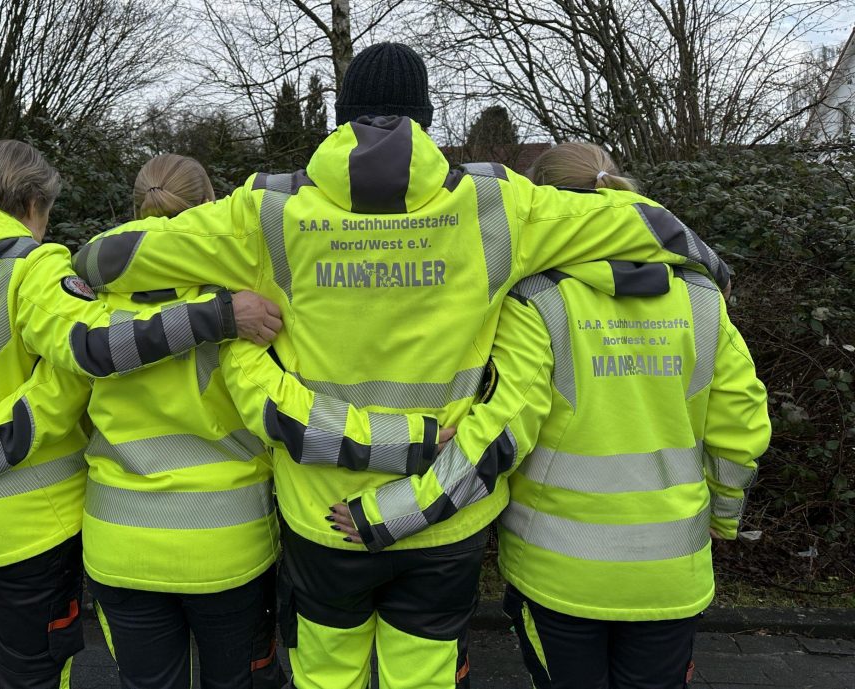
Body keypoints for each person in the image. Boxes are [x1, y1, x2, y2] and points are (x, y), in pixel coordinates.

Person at [73, 44, 731, 689]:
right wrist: (714, 272)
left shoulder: (268, 209)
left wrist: (203, 302)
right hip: (447, 512)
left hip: (323, 512)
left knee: (327, 676)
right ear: (426, 120)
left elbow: (105, 261)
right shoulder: (497, 204)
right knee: (423, 675)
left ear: (341, 118)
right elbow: (642, 225)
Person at [0, 140, 280, 689]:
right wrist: (217, 315)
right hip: (32, 527)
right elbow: (81, 366)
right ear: (34, 203)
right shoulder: (31, 268)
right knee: (32, 676)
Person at [454, 142, 768, 688]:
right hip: (672, 570)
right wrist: (724, 516)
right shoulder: (701, 294)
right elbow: (740, 422)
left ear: (541, 202)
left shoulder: (535, 296)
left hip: (558, 569)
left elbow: (509, 426)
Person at [80, 153, 287, 689]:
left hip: (119, 539)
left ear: (135, 208)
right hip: (228, 539)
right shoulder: (245, 295)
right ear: (211, 205)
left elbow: (64, 406)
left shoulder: (86, 293)